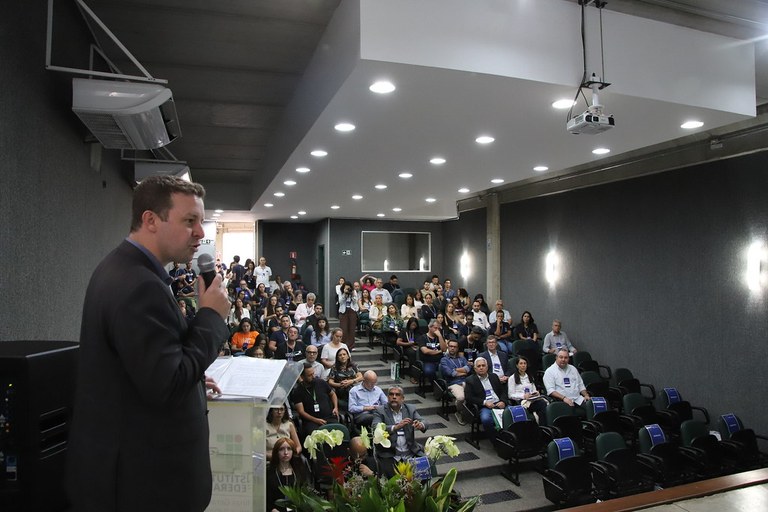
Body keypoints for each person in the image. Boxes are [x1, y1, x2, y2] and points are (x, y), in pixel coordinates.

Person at [68, 176, 230, 512]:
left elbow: (144, 367)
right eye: (189, 221)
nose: (200, 232)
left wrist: (193, 377)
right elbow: (167, 384)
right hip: (145, 486)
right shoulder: (139, 284)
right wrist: (212, 317)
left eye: (200, 221)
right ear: (151, 220)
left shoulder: (129, 269)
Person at [372, 386, 427, 478]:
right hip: (390, 454)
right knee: (392, 481)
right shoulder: (380, 411)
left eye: (397, 395)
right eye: (391, 394)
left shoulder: (410, 409)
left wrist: (420, 425)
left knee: (424, 475)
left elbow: (424, 421)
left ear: (402, 398)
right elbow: (375, 427)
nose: (394, 397)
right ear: (387, 397)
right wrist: (395, 427)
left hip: (410, 452)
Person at [290, 363, 339, 438]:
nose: (313, 376)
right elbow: (301, 411)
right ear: (302, 377)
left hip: (329, 417)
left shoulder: (321, 382)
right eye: (309, 375)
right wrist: (315, 420)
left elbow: (333, 394)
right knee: (315, 435)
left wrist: (336, 407)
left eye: (313, 373)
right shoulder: (298, 391)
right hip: (311, 421)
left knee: (339, 431)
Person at [464, 357, 508, 440]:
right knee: (486, 419)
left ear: (487, 367)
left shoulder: (494, 376)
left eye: (483, 365)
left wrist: (503, 401)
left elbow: (503, 392)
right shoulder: (470, 380)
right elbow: (469, 398)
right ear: (475, 369)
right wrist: (484, 402)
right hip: (485, 407)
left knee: (512, 414)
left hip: (499, 403)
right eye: (479, 366)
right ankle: (495, 440)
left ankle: (508, 438)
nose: (481, 368)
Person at [266, 438, 310, 512]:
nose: (286, 452)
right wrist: (273, 510)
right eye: (281, 449)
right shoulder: (269, 472)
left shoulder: (300, 471)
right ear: (276, 452)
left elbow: (305, 494)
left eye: (289, 449)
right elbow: (267, 498)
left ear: (293, 451)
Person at [543, 347, 590, 413]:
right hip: (562, 400)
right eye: (561, 357)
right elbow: (551, 390)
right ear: (556, 358)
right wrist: (564, 398)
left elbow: (581, 385)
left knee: (592, 407)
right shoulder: (549, 371)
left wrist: (586, 395)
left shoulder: (573, 369)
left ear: (568, 359)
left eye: (566, 358)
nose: (563, 359)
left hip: (578, 399)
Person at [440, 339, 472, 425]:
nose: (452, 348)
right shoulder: (444, 360)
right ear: (448, 347)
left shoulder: (462, 358)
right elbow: (450, 373)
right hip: (453, 383)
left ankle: (470, 413)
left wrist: (455, 370)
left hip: (466, 381)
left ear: (457, 348)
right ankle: (459, 412)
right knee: (461, 397)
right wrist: (463, 372)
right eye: (451, 346)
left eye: (455, 347)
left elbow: (468, 369)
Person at [508, 355, 548, 422]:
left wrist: (536, 393)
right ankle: (543, 425)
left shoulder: (530, 376)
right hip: (521, 401)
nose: (523, 365)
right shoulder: (512, 378)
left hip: (532, 399)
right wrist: (523, 396)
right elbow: (510, 395)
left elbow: (534, 389)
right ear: (517, 366)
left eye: (525, 363)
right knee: (542, 404)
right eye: (521, 363)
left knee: (544, 402)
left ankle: (541, 424)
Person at [417, 319, 447, 383]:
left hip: (440, 360)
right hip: (428, 361)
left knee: (449, 369)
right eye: (435, 328)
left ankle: (444, 384)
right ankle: (436, 385)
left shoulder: (440, 337)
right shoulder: (423, 337)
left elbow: (444, 349)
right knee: (429, 371)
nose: (437, 330)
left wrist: (440, 336)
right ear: (429, 327)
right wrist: (439, 351)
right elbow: (425, 351)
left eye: (438, 328)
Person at [337, 282, 359, 348]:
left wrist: (352, 295)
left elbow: (355, 301)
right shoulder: (340, 292)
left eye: (348, 288)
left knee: (351, 329)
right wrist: (344, 294)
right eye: (346, 288)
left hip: (352, 311)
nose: (347, 289)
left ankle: (351, 346)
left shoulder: (354, 292)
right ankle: (343, 345)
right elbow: (340, 301)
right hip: (343, 311)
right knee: (343, 329)